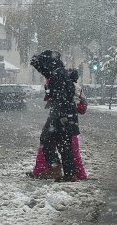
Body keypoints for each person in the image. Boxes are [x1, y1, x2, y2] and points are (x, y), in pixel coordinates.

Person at [30, 50, 80, 182]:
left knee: (58, 142)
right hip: (60, 113)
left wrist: (63, 116)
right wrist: (36, 62)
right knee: (59, 142)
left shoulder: (58, 74)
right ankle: (60, 169)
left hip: (61, 114)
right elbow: (43, 69)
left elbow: (64, 95)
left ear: (48, 62)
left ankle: (63, 171)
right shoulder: (57, 71)